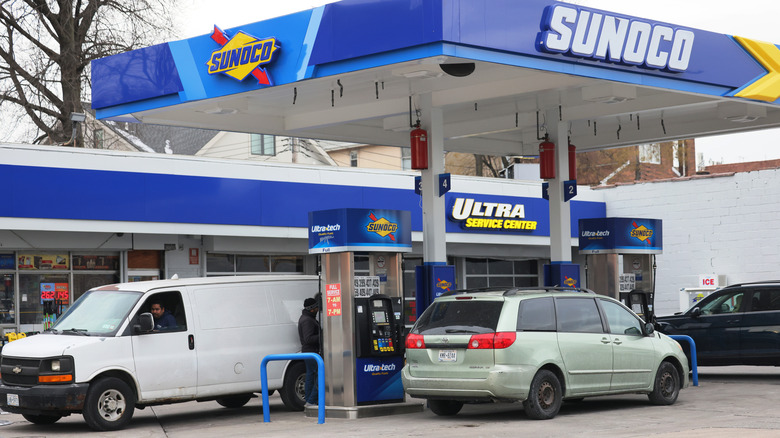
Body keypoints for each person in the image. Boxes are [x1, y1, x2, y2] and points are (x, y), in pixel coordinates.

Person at [297, 297, 320, 407]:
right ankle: (311, 400)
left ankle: (309, 401)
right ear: (312, 309)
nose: (318, 309)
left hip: (310, 352)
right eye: (316, 307)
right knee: (319, 376)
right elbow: (308, 339)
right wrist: (323, 336)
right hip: (311, 352)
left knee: (311, 375)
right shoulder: (307, 320)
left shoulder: (308, 318)